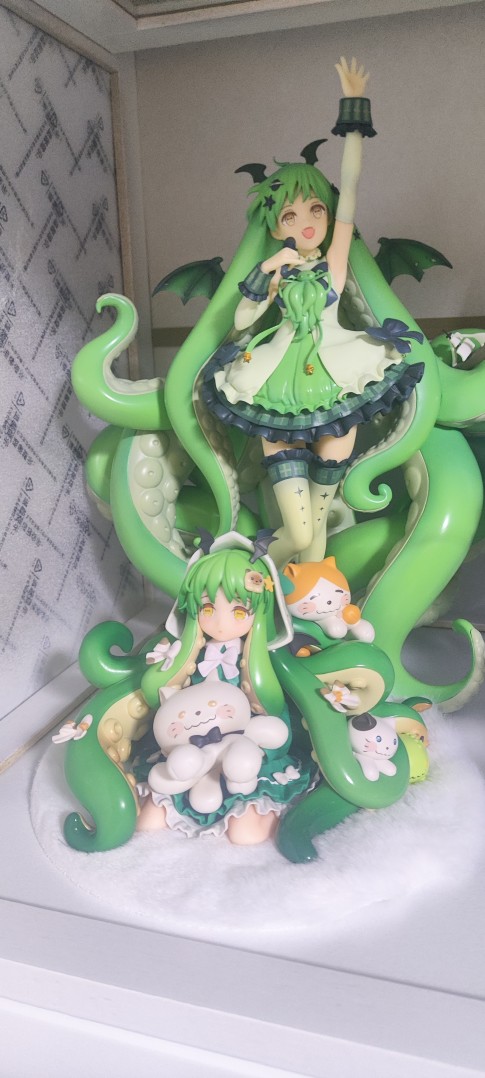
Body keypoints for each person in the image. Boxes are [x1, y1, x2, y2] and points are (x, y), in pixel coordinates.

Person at [201, 58, 423, 566]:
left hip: (335, 382)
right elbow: (241, 322)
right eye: (290, 214)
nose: (305, 222)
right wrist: (267, 269)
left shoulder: (334, 265)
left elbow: (351, 186)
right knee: (299, 533)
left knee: (315, 527)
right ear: (275, 226)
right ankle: (236, 573)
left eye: (315, 209)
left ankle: (297, 598)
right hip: (275, 388)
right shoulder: (275, 271)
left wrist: (354, 115)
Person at [136, 532, 313, 843]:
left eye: (239, 612)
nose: (220, 623)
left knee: (245, 834)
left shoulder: (258, 664)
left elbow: (274, 721)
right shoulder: (189, 655)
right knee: (147, 822)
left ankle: (256, 810)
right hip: (190, 748)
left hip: (241, 750)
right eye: (207, 609)